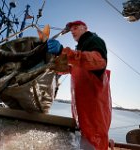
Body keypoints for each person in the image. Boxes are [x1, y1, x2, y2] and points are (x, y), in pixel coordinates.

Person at [47, 20, 112, 150]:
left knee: (95, 144)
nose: (73, 32)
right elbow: (71, 68)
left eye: (76, 28)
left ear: (85, 28)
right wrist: (52, 64)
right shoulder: (80, 50)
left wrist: (63, 51)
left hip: (95, 121)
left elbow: (98, 61)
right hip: (82, 119)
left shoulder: (94, 40)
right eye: (71, 30)